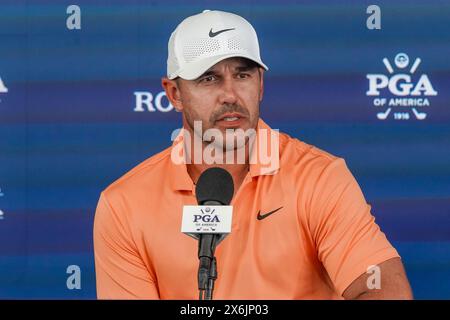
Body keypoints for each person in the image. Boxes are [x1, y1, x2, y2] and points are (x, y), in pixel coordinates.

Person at [93, 9, 413, 299]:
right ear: (174, 93)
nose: (230, 94)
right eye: (209, 78)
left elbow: (384, 289)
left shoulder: (319, 177)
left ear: (260, 84)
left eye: (243, 75)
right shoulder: (125, 205)